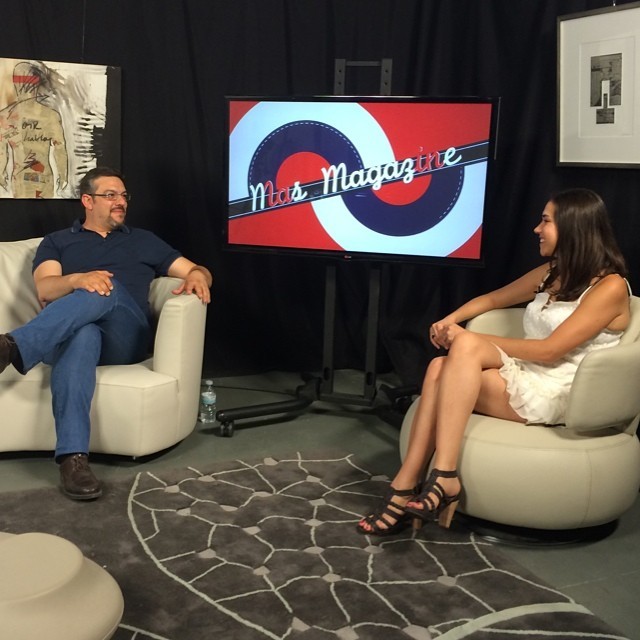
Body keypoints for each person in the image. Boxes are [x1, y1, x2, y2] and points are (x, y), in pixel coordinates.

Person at [357, 187, 630, 536]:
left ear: (572, 227)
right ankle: (412, 482)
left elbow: (551, 351)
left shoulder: (610, 288)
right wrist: (450, 320)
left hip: (563, 392)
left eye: (545, 221)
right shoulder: (552, 272)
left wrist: (468, 339)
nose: (536, 229)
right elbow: (492, 299)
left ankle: (434, 478)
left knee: (462, 350)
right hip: (527, 375)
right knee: (439, 366)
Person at [0, 166, 212, 500]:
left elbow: (195, 269)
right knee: (83, 333)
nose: (120, 201)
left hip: (124, 338)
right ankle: (73, 460)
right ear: (87, 201)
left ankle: (12, 347)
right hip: (68, 337)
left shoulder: (143, 240)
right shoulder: (57, 241)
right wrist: (77, 280)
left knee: (104, 285)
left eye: (124, 195)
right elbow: (46, 289)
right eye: (110, 195)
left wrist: (200, 275)